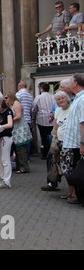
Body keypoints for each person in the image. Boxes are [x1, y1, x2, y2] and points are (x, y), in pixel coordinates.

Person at [62, 73, 84, 204]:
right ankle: (76, 194)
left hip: (76, 143)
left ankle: (79, 196)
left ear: (75, 83)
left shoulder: (82, 99)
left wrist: (82, 143)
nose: (69, 83)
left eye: (70, 81)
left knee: (77, 170)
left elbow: (83, 123)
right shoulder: (76, 98)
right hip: (72, 142)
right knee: (71, 169)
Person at [50, 91, 72, 199]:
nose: (61, 100)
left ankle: (74, 192)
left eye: (63, 98)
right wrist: (54, 141)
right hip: (60, 142)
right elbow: (55, 127)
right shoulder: (58, 111)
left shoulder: (72, 109)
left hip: (70, 143)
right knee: (64, 168)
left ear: (67, 98)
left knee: (70, 168)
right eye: (59, 99)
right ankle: (70, 191)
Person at [5, 93, 32, 174]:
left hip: (20, 129)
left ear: (11, 97)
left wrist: (10, 121)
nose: (5, 99)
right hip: (15, 129)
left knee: (21, 149)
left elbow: (19, 116)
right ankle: (18, 166)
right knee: (17, 149)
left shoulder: (16, 104)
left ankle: (24, 167)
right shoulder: (10, 105)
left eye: (6, 97)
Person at [0, 100, 13, 189]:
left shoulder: (8, 111)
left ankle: (7, 180)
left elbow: (10, 124)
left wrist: (0, 127)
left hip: (6, 136)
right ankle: (2, 178)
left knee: (5, 159)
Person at [32, 82, 54, 159]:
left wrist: (34, 118)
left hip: (42, 119)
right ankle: (52, 152)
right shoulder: (53, 97)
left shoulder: (38, 98)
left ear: (41, 89)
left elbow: (34, 109)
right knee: (51, 136)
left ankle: (45, 154)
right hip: (52, 120)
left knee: (44, 138)